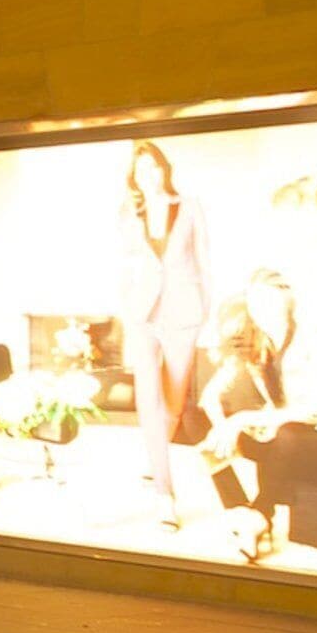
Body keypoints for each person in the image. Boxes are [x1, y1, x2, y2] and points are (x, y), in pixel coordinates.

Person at [197, 270, 317, 564]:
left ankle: (261, 514)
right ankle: (243, 515)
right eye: (256, 302)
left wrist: (239, 421)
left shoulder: (315, 337)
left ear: (287, 302)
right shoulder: (252, 338)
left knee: (285, 432)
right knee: (196, 423)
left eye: (270, 302)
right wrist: (222, 428)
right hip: (278, 438)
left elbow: (316, 407)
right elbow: (211, 395)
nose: (263, 311)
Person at [117, 141, 215, 518]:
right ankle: (165, 494)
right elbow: (123, 263)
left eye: (154, 167)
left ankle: (155, 455)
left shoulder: (189, 207)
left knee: (173, 401)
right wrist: (125, 305)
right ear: (135, 179)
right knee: (149, 398)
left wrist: (205, 308)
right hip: (142, 314)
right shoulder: (127, 212)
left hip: (183, 313)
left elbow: (205, 261)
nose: (149, 176)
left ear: (164, 170)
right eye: (141, 171)